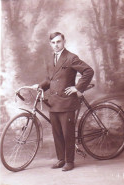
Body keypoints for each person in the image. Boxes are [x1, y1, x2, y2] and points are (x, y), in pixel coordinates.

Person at [32, 32, 94, 171]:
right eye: (53, 42)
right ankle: (61, 159)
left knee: (68, 133)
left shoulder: (71, 58)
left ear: (64, 41)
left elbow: (88, 71)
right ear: (50, 44)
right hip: (54, 102)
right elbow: (50, 80)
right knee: (57, 133)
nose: (56, 45)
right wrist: (40, 86)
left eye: (58, 42)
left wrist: (77, 88)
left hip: (67, 102)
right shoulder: (51, 59)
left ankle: (70, 161)